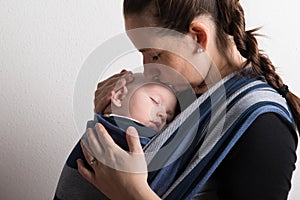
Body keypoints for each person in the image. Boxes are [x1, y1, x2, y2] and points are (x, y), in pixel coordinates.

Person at [76, 0, 300, 199]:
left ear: (197, 37)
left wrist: (131, 193)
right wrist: (110, 119)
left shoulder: (265, 127)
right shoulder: (179, 95)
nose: (148, 68)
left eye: (155, 55)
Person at [53, 72, 181, 200]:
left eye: (168, 117)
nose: (162, 114)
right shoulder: (119, 132)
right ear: (119, 96)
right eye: (155, 101)